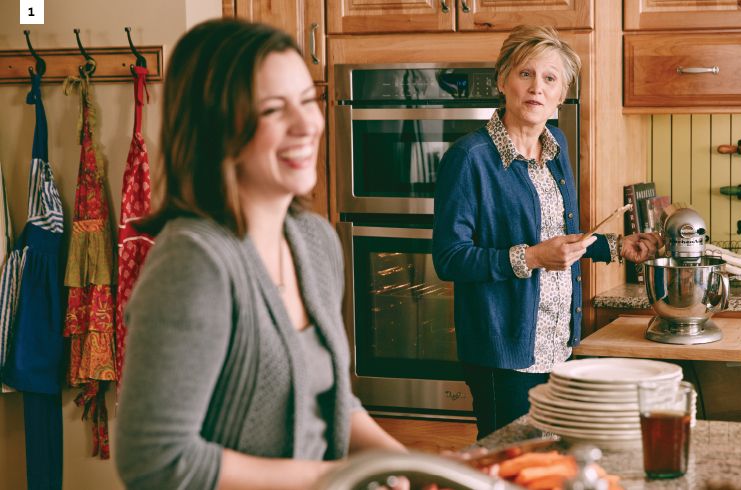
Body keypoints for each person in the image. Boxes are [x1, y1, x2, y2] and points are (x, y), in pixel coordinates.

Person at [115, 19, 405, 490]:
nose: (307, 123)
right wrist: (335, 477)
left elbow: (328, 398)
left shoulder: (314, 240)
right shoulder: (195, 262)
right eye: (273, 110)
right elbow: (154, 460)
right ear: (216, 128)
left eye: (308, 100)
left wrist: (411, 465)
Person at [432, 25, 662, 438]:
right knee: (512, 467)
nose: (536, 87)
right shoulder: (470, 158)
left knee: (550, 467)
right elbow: (450, 258)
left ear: (561, 93)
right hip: (503, 354)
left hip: (558, 344)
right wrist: (534, 257)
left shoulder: (555, 145)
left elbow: (559, 237)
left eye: (550, 78)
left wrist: (615, 246)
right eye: (525, 74)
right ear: (502, 80)